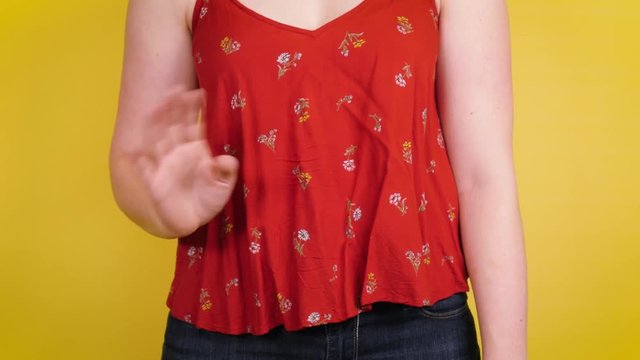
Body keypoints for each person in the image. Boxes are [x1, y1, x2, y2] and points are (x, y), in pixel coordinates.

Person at [109, 0, 527, 359]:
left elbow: (484, 177)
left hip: (418, 325)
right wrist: (165, 209)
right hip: (227, 326)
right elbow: (133, 162)